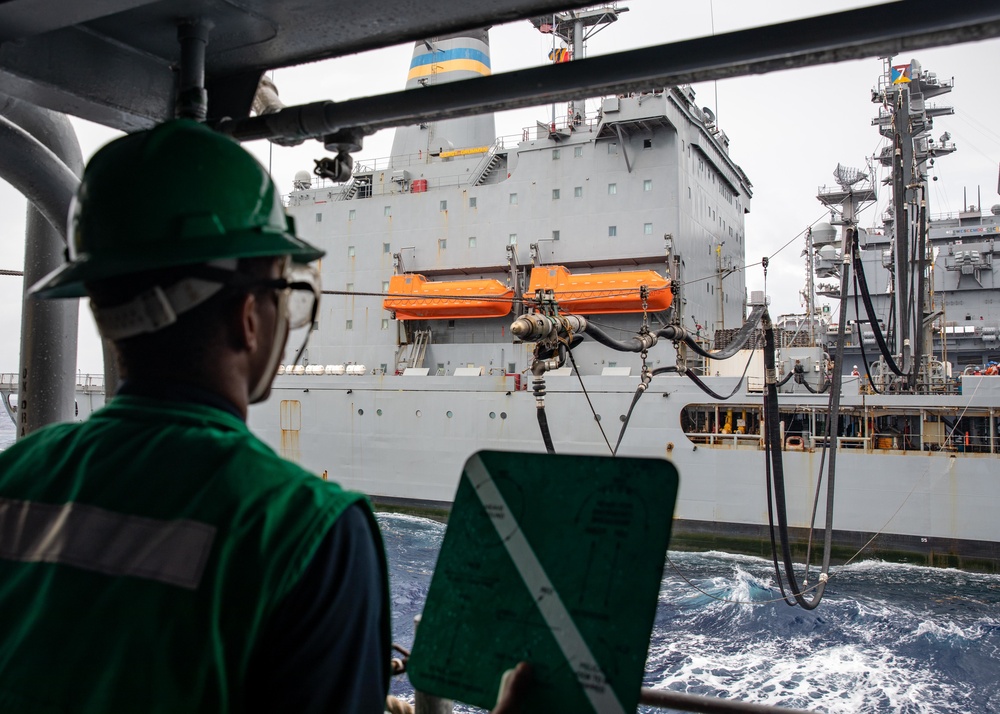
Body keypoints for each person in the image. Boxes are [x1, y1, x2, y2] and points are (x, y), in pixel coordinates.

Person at [0, 120, 392, 713]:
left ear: (103, 311)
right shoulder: (309, 531)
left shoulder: (12, 480)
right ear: (248, 316)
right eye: (286, 294)